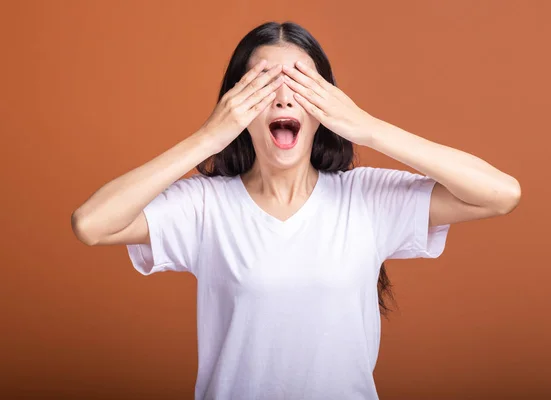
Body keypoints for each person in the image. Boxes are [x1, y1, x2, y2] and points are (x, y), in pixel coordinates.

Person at [71, 21, 521, 400]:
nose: (284, 99)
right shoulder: (204, 205)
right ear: (236, 103)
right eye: (263, 83)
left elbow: (500, 193)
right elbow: (91, 224)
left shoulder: (366, 198)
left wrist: (369, 128)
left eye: (301, 84)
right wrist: (210, 136)